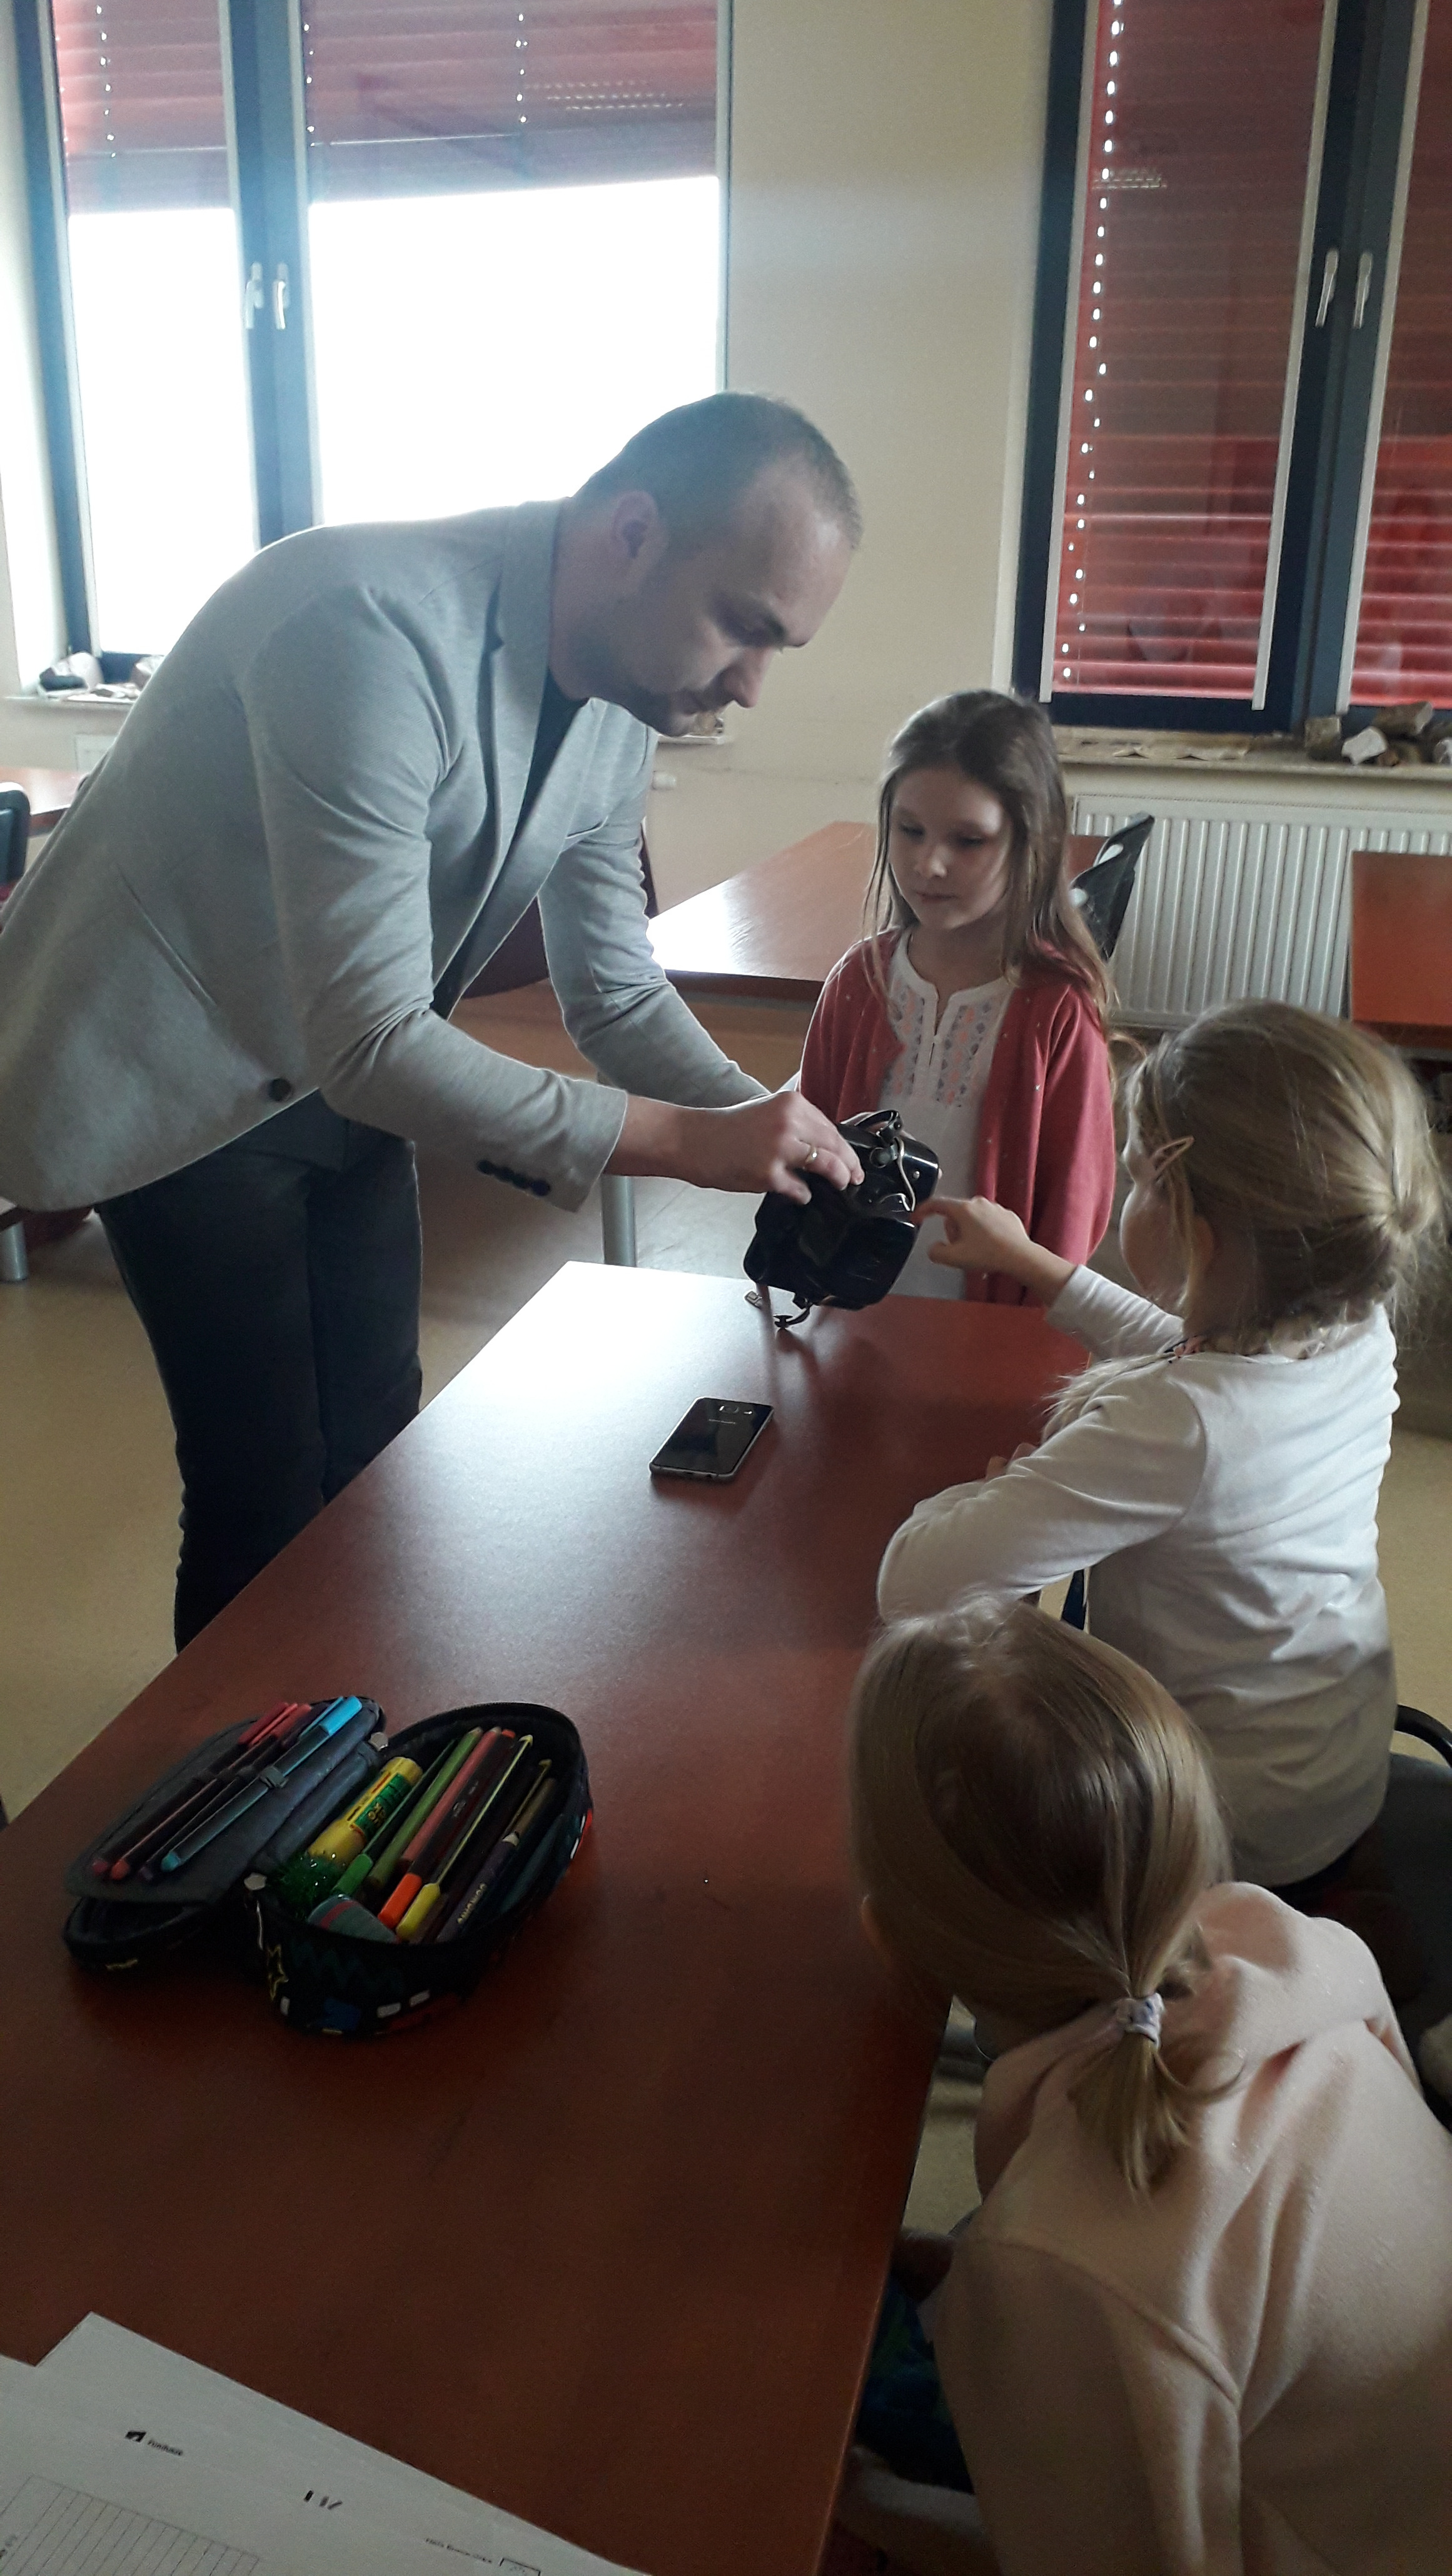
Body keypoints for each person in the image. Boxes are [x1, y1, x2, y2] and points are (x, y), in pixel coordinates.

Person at [0, 393, 863, 1646]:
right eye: (743, 625)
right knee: (264, 1487)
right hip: (170, 1064)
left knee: (375, 1447)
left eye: (781, 647)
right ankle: (240, 1761)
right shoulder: (362, 624)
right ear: (632, 534)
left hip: (333, 1068)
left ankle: (362, 1718)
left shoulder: (623, 703)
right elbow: (372, 1042)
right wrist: (687, 1142)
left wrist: (767, 1119)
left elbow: (612, 988)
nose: (752, 685)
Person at [840, 1600, 1452, 2576]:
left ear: (888, 1943)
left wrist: (857, 2499)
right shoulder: (1293, 1944)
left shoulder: (1067, 2268)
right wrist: (994, 2281)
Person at [877, 1001, 1448, 1908]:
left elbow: (912, 1584)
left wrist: (985, 1495)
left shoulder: (1177, 1428)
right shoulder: (1348, 1323)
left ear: (1198, 1233)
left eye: (1139, 1177)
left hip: (1227, 1830)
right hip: (1331, 1758)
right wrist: (1042, 1268)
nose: (1124, 1199)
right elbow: (1197, 1359)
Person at [799, 692, 1115, 1301]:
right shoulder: (858, 982)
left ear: (1031, 841)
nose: (929, 864)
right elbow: (809, 1155)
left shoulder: (1058, 1011)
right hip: (852, 1316)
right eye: (910, 830)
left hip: (986, 1326)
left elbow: (1071, 1216)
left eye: (968, 841)